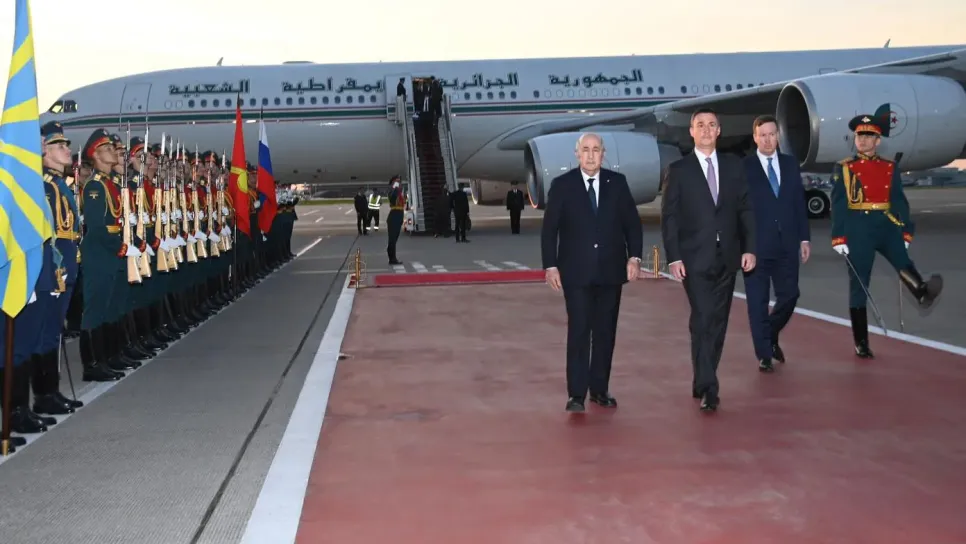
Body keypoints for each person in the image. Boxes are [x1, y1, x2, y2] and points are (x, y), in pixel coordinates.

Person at [661, 107, 756, 413]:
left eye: (711, 124)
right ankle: (709, 387)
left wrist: (749, 248)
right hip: (693, 257)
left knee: (717, 320)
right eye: (699, 125)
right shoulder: (679, 170)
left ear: (719, 131)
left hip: (728, 255)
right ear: (691, 132)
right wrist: (673, 257)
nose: (705, 129)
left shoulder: (734, 166)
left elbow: (745, 209)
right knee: (703, 317)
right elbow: (670, 217)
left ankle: (702, 377)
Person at [541, 132, 643, 413]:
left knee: (605, 332)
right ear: (577, 154)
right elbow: (549, 230)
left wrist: (634, 258)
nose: (590, 154)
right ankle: (576, 394)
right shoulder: (562, 185)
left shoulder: (617, 183)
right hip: (575, 273)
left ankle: (599, 389)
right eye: (585, 149)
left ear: (603, 154)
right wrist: (550, 266)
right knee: (579, 331)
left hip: (611, 271)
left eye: (595, 149)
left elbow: (632, 224)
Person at [830, 114, 943, 358]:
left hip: (886, 224)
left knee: (903, 261)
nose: (862, 140)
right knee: (859, 284)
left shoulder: (890, 167)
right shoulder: (845, 167)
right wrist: (838, 236)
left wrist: (906, 230)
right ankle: (861, 342)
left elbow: (899, 200)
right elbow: (838, 203)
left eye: (868, 136)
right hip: (858, 228)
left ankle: (921, 292)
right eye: (859, 135)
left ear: (877, 140)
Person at [742, 115, 810, 373]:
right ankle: (764, 354)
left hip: (787, 244)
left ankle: (769, 334)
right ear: (755, 138)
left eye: (772, 134)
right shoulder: (745, 167)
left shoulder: (790, 164)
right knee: (757, 302)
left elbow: (798, 203)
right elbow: (740, 209)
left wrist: (804, 238)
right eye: (763, 135)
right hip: (756, 248)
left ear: (778, 136)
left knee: (790, 295)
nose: (768, 140)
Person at [386, 175, 405, 265]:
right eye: (397, 181)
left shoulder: (399, 192)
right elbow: (393, 199)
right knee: (392, 239)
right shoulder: (392, 191)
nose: (399, 183)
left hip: (399, 215)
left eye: (399, 181)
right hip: (394, 216)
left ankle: (392, 257)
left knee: (394, 239)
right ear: (393, 183)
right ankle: (392, 258)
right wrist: (396, 188)